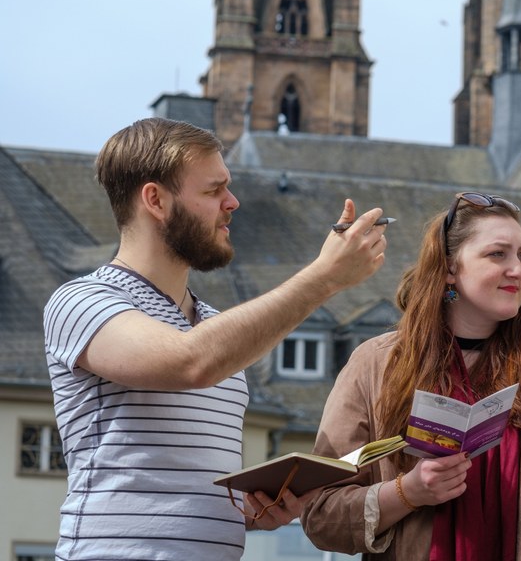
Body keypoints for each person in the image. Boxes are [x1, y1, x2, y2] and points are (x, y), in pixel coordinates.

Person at [43, 118, 389, 560]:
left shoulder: (215, 325)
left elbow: (173, 482)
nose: (233, 202)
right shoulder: (83, 300)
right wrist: (324, 278)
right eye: (213, 191)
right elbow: (191, 362)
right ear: (156, 200)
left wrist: (245, 510)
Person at [301, 192, 521, 559]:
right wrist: (407, 492)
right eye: (498, 254)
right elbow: (321, 513)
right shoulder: (375, 364)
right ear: (450, 268)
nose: (517, 270)